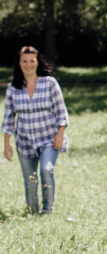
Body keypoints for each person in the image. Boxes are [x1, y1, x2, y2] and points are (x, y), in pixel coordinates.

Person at [2, 46, 69, 215]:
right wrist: (6, 144)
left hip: (49, 139)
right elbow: (9, 117)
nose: (28, 64)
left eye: (32, 60)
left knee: (46, 170)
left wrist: (60, 134)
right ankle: (33, 212)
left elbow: (61, 111)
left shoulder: (49, 83)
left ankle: (47, 211)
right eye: (24, 61)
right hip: (24, 140)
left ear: (38, 62)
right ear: (19, 64)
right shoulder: (13, 88)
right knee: (30, 180)